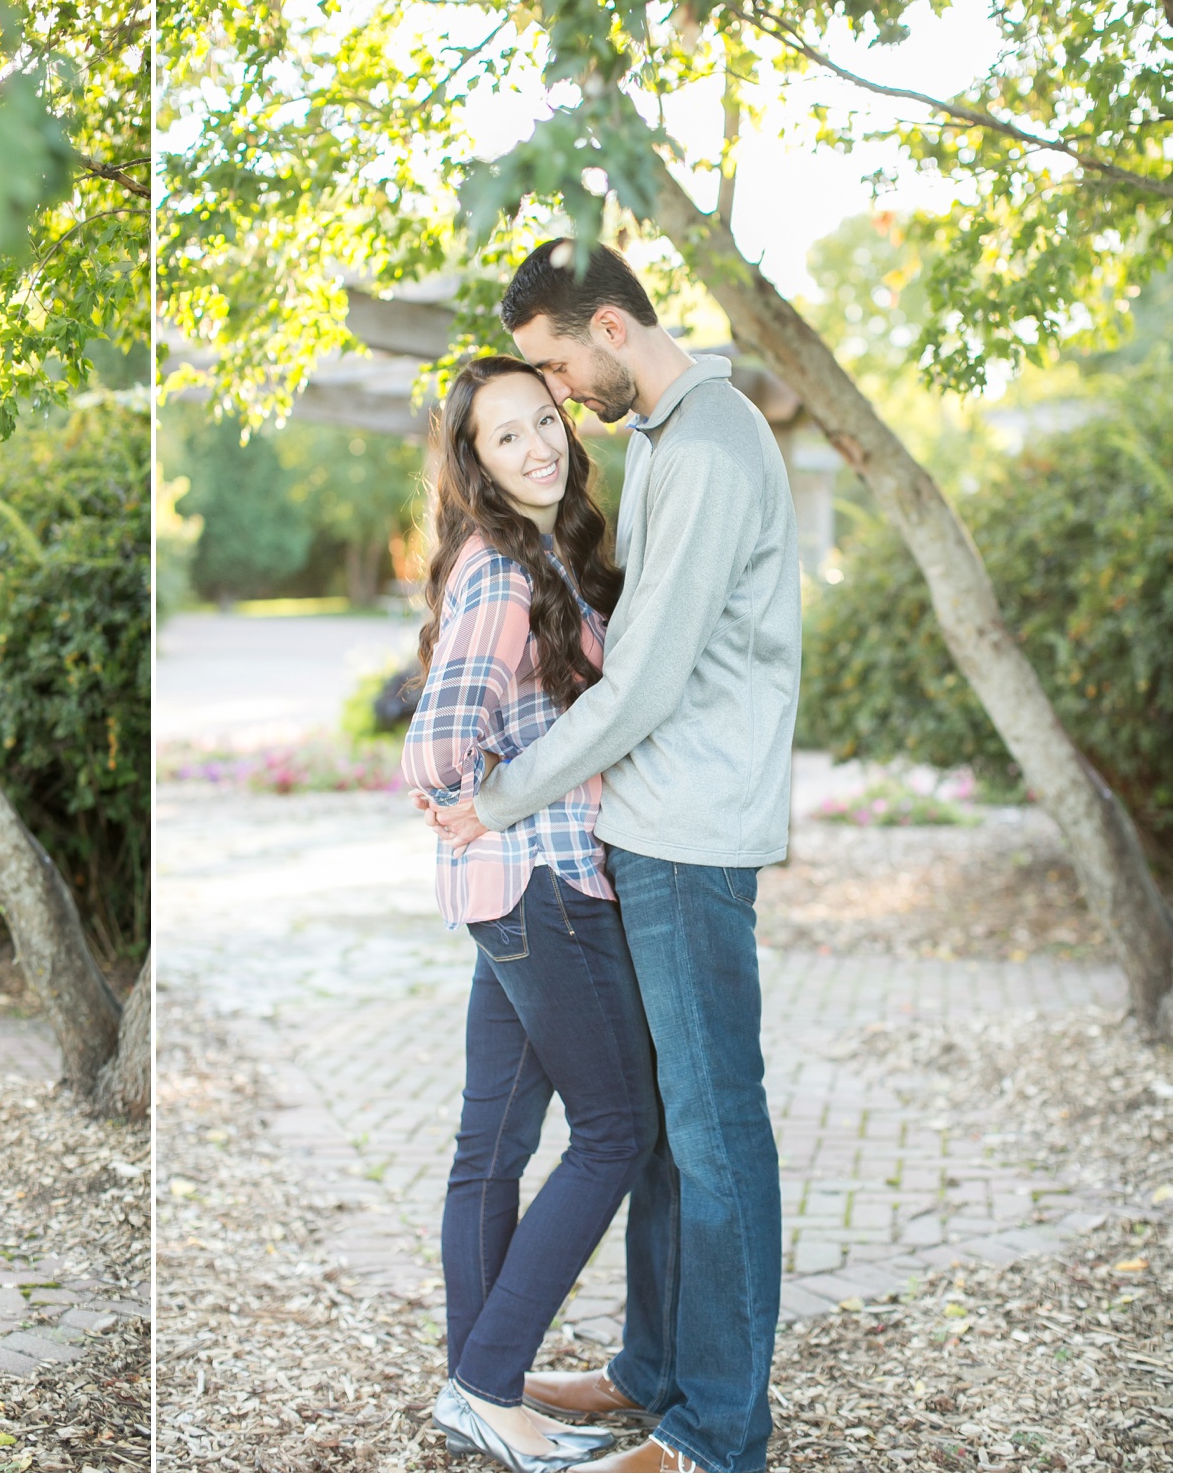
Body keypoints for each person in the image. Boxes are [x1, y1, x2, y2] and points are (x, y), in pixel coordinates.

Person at [428, 239, 802, 1474]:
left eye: (552, 370)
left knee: (708, 1131)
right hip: (632, 832)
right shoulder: (660, 443)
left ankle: (714, 1431)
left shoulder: (701, 445)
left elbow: (637, 680)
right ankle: (652, 1371)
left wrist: (496, 800)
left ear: (603, 325)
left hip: (686, 832)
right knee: (648, 1133)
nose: (557, 404)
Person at [403, 356, 658, 1473]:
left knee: (490, 1146)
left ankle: (479, 1395)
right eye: (504, 437)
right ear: (476, 463)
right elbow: (435, 741)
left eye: (542, 421)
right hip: (544, 887)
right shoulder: (504, 571)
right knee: (615, 1131)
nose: (536, 446)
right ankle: (487, 1377)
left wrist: (480, 807)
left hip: (503, 896)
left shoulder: (537, 554)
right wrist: (473, 797)